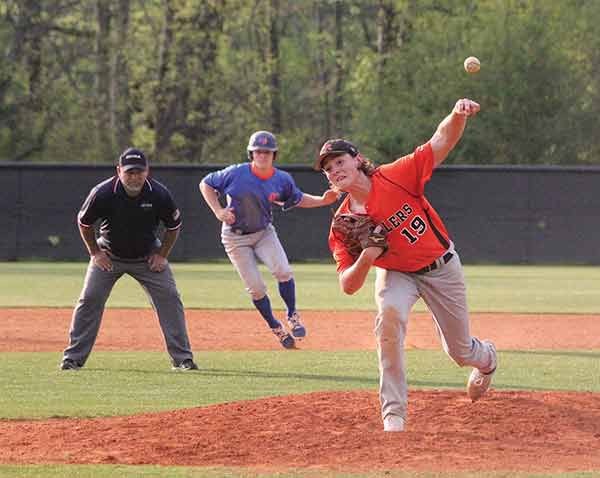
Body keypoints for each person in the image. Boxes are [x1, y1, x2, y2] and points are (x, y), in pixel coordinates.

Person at [314, 99, 497, 432]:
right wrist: (369, 256)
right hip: (396, 272)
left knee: (459, 351)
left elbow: (440, 142)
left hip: (440, 267)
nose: (335, 170)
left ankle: (486, 359)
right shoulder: (343, 224)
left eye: (339, 161)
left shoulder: (395, 176)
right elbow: (348, 286)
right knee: (389, 318)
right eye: (328, 169)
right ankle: (393, 414)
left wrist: (457, 115)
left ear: (357, 160)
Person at [60, 147, 198, 371]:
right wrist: (95, 253)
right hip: (109, 255)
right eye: (129, 172)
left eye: (139, 172)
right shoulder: (103, 192)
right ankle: (72, 358)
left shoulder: (159, 194)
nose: (134, 177)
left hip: (147, 256)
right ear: (119, 171)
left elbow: (174, 226)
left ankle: (183, 359)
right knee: (90, 298)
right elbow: (84, 223)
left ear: (147, 171)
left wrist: (162, 255)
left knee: (170, 298)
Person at [200, 130, 339, 349]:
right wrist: (218, 210)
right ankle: (275, 326)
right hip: (235, 238)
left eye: (267, 152)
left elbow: (299, 198)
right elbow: (206, 183)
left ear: (274, 155)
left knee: (283, 271)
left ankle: (292, 315)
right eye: (258, 151)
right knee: (256, 288)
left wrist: (323, 201)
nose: (262, 155)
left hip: (264, 232)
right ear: (251, 154)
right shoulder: (236, 173)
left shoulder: (281, 179)